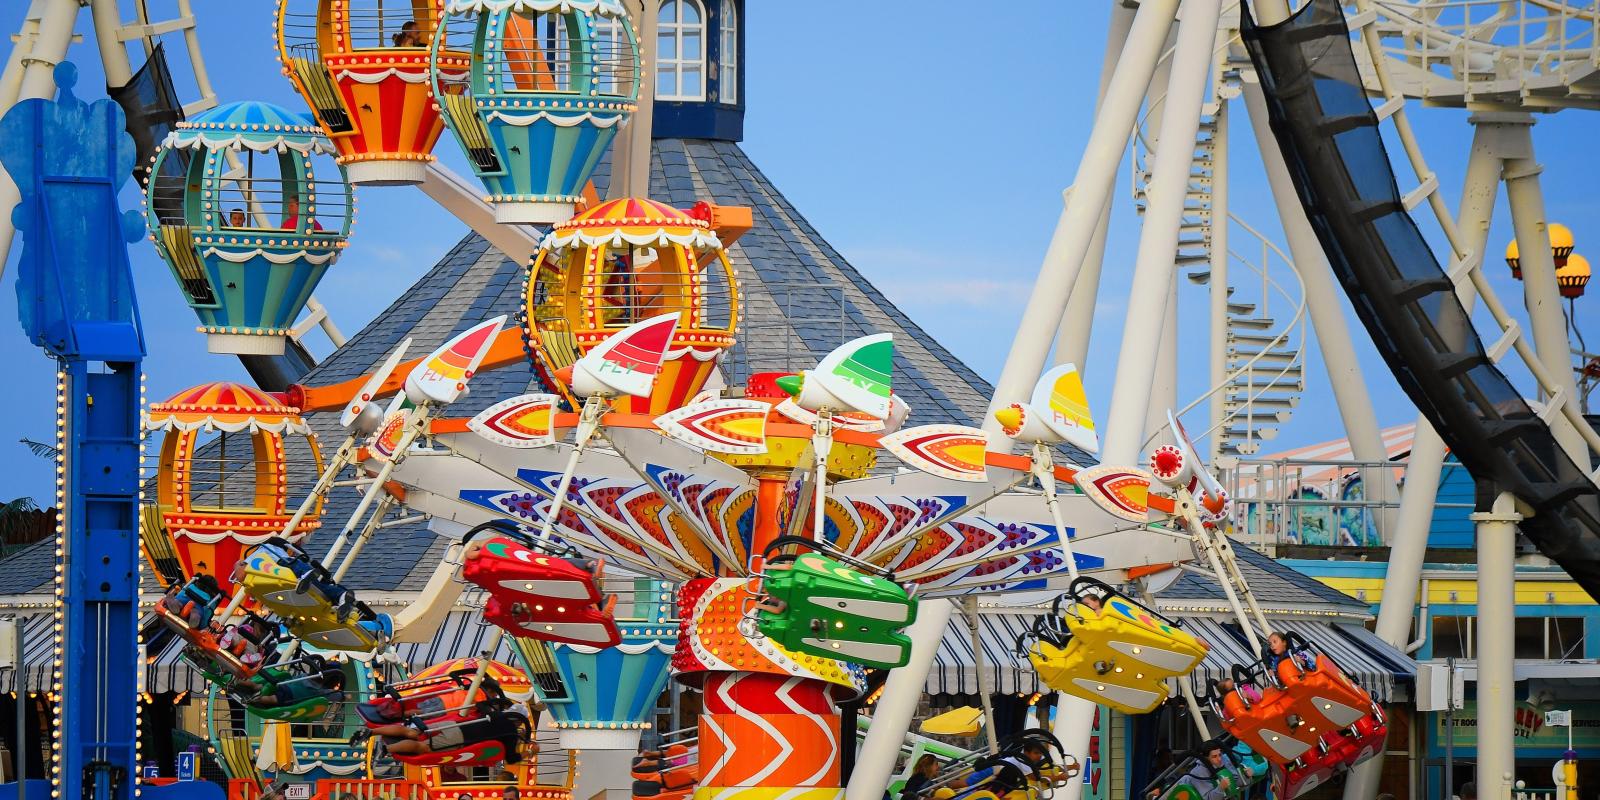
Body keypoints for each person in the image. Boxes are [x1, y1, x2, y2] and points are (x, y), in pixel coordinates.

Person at [356, 709, 527, 762]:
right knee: (422, 747)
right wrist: (530, 752)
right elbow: (511, 758)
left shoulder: (496, 714)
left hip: (453, 724)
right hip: (460, 739)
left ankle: (372, 732)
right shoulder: (511, 733)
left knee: (413, 732)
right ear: (519, 722)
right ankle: (385, 748)